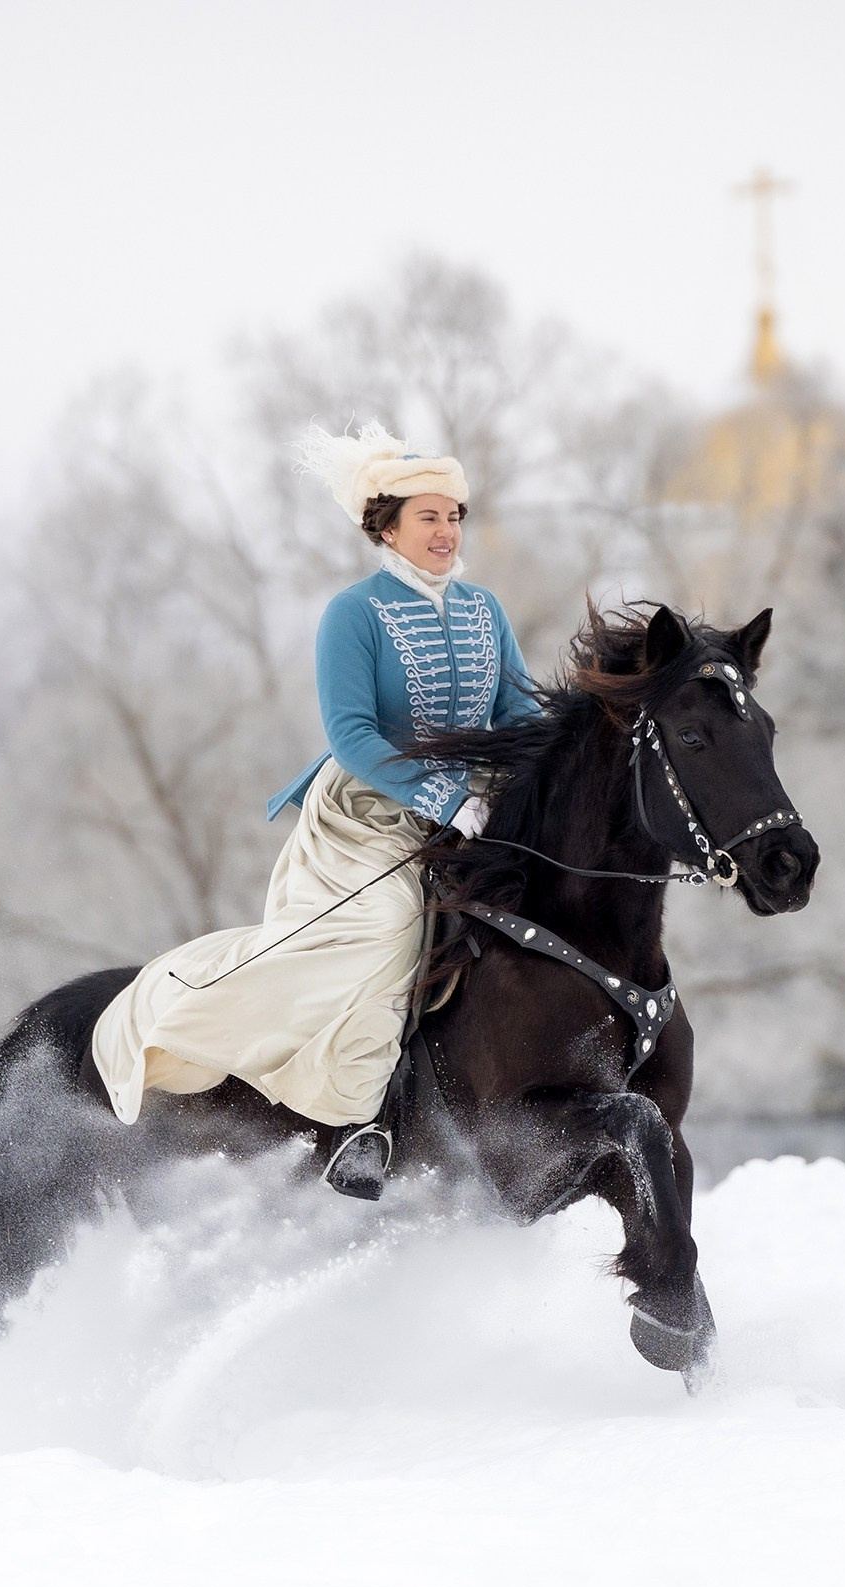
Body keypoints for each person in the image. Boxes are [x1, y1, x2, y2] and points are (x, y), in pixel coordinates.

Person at [88, 424, 536, 1198]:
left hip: (475, 809)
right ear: (386, 526)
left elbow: (522, 711)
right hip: (365, 813)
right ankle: (360, 1118)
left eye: (454, 515)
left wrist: (534, 779)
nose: (446, 531)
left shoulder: (485, 610)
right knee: (391, 924)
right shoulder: (353, 615)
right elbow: (352, 735)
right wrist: (442, 798)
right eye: (428, 517)